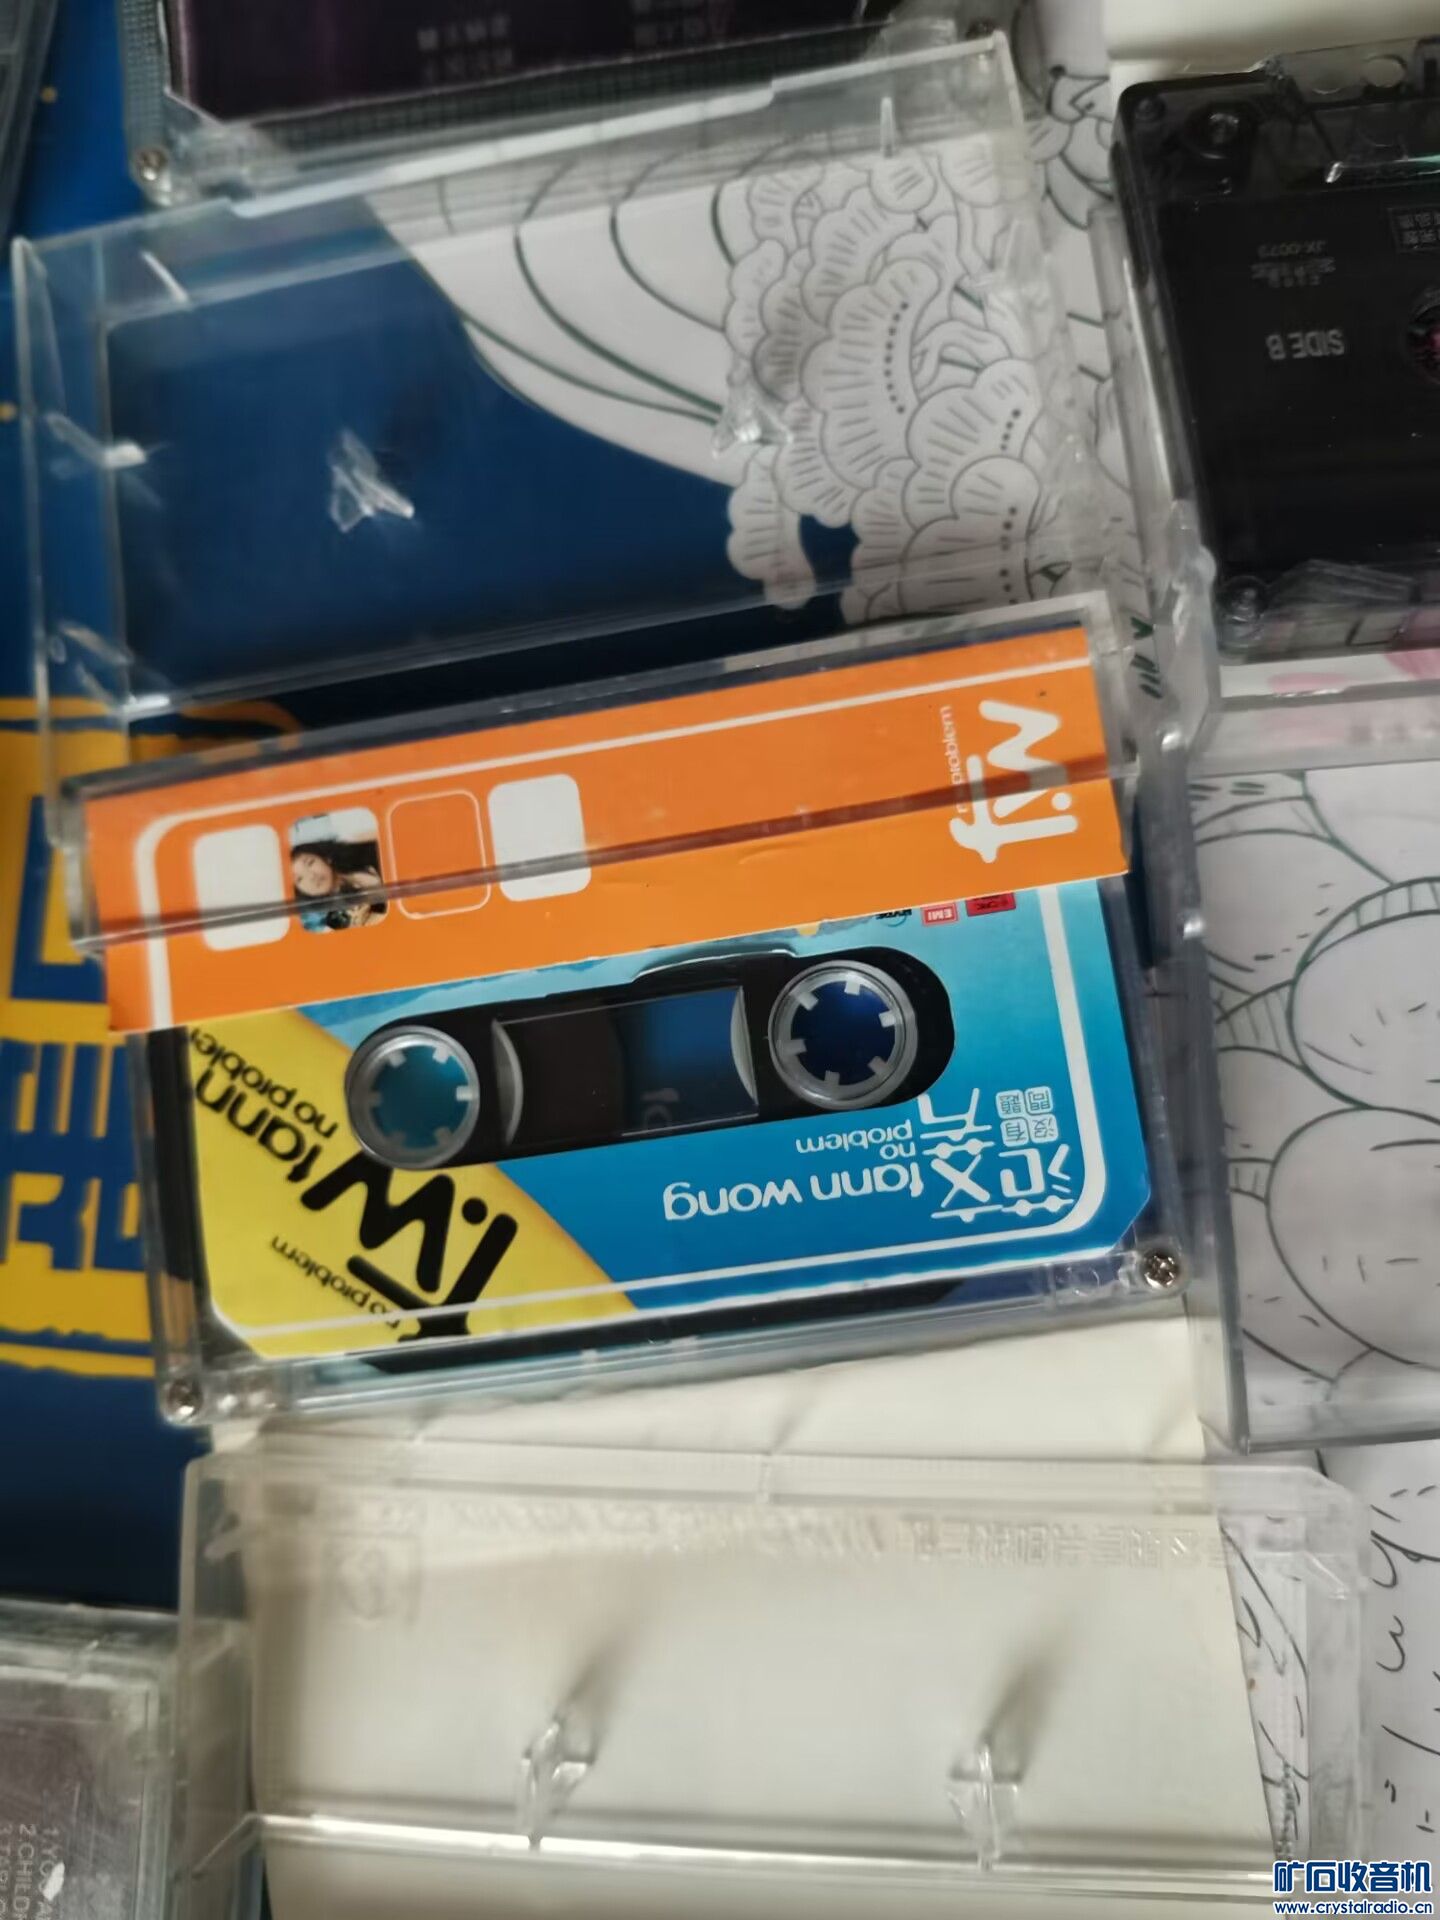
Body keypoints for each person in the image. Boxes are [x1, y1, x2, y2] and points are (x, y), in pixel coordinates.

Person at [290, 838, 385, 931]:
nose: (311, 876)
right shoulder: (334, 924)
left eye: (310, 863)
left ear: (326, 858)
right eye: (299, 879)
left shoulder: (369, 856)